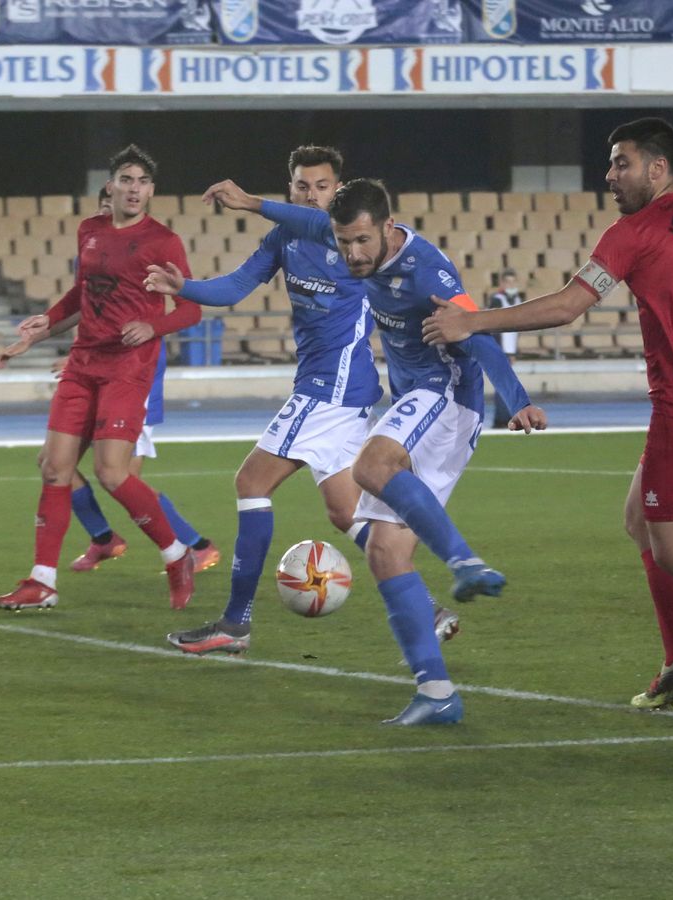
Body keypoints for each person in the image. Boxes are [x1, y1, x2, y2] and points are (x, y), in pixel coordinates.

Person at [423, 117, 673, 717]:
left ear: (658, 169)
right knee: (640, 523)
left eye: (620, 163)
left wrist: (471, 321)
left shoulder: (634, 232)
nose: (610, 176)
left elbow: (568, 307)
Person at [192, 175, 542, 725]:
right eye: (344, 242)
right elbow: (308, 222)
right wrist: (252, 203)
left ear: (386, 228)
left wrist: (517, 399)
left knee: (371, 465)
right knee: (383, 553)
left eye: (361, 242)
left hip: (447, 395)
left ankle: (465, 561)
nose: (351, 253)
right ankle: (437, 694)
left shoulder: (425, 271)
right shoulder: (343, 239)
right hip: (415, 400)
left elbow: (474, 334)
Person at [145, 146, 457, 655]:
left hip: (332, 390)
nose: (312, 196)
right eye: (302, 186)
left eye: (322, 186)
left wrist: (250, 201)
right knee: (343, 511)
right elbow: (235, 287)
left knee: (250, 481)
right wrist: (187, 287)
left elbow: (317, 224)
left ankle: (235, 623)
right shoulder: (286, 236)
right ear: (290, 189)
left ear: (338, 191)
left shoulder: (352, 244)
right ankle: (427, 606)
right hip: (333, 392)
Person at [0, 144, 202, 613]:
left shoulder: (162, 242)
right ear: (111, 186)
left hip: (128, 368)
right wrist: (39, 331)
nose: (134, 189)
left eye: (143, 182)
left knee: (110, 473)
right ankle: (42, 582)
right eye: (126, 180)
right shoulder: (90, 231)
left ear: (151, 190)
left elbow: (190, 308)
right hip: (84, 362)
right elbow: (82, 296)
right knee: (54, 467)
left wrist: (153, 326)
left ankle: (177, 553)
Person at [485, 268, 524, 429]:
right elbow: (494, 327)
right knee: (503, 384)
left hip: (510, 349)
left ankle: (506, 416)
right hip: (500, 348)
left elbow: (517, 328)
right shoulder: (497, 299)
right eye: (507, 282)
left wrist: (514, 350)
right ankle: (501, 419)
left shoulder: (517, 299)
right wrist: (499, 350)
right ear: (502, 283)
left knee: (506, 383)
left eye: (512, 282)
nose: (510, 284)